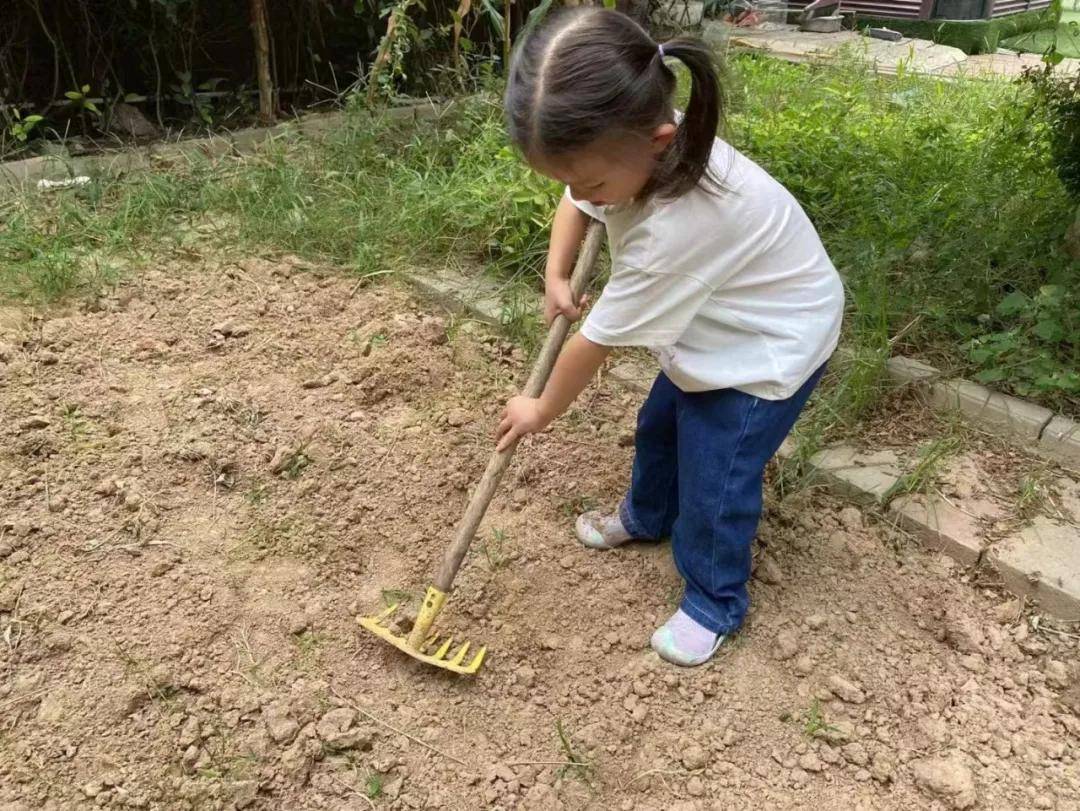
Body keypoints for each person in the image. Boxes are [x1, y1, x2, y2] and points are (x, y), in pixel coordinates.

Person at [495, 7, 844, 666]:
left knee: (716, 475)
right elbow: (577, 201)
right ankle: (648, 514)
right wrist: (555, 270)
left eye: (590, 180)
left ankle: (714, 599)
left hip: (770, 347)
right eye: (566, 177)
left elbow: (593, 342)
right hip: (718, 323)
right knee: (661, 425)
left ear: (658, 139)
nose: (577, 192)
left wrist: (539, 408)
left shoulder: (678, 227)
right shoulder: (627, 146)